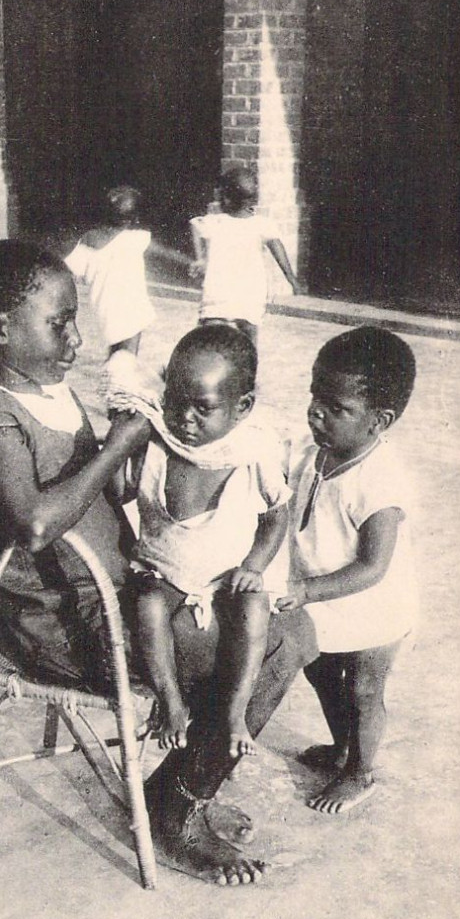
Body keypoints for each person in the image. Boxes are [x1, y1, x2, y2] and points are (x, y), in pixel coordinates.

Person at [0, 239, 319, 885]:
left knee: (268, 620)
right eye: (58, 321)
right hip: (67, 625)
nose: (75, 337)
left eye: (74, 319)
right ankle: (176, 808)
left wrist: (179, 455)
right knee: (283, 640)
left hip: (114, 596)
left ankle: (176, 788)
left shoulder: (52, 394)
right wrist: (120, 440)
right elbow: (35, 522)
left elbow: (115, 489)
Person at [119, 323, 290, 759]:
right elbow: (119, 490)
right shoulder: (156, 443)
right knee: (149, 604)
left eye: (202, 408)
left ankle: (235, 711)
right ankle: (170, 701)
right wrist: (124, 437)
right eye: (175, 402)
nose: (185, 418)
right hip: (163, 574)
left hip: (225, 580)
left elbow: (276, 516)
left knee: (255, 608)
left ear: (242, 407)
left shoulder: (254, 452)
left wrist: (253, 566)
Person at [275, 326, 417, 815]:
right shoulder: (308, 451)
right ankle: (341, 747)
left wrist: (306, 589)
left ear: (380, 421)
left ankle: (360, 771)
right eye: (315, 397)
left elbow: (373, 566)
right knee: (319, 672)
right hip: (319, 596)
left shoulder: (381, 480)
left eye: (337, 408)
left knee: (362, 687)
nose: (317, 412)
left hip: (372, 606)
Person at [65, 185, 188, 358]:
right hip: (131, 309)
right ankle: (118, 382)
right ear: (134, 218)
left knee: (117, 352)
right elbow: (165, 252)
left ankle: (115, 376)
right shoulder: (136, 238)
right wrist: (190, 262)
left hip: (105, 311)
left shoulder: (89, 239)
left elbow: (70, 270)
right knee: (127, 359)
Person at [189, 165, 303, 346]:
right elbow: (277, 248)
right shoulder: (263, 224)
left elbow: (194, 224)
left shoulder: (213, 222)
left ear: (224, 198)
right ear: (253, 199)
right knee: (249, 342)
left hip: (217, 297)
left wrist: (200, 258)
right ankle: (250, 370)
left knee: (208, 340)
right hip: (250, 298)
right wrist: (292, 279)